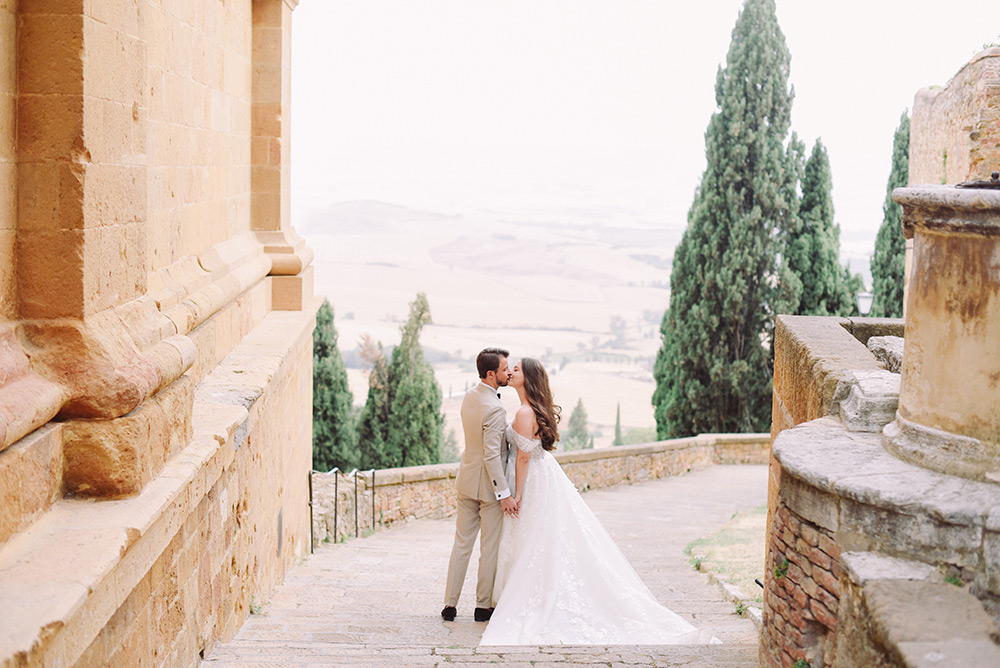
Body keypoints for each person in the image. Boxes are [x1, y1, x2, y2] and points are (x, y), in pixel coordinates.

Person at [480, 357, 718, 645]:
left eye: (516, 369)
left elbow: (523, 456)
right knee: (544, 539)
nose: (510, 372)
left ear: (527, 378)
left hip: (531, 480)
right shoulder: (531, 410)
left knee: (534, 538)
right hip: (546, 476)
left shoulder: (523, 413)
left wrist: (517, 494)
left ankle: (533, 598)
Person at [442, 347, 519, 623]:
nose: (508, 373)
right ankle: (482, 606)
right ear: (490, 374)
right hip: (488, 489)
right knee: (489, 548)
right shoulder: (495, 409)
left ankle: (449, 605)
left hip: (466, 480)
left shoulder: (469, 396)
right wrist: (503, 493)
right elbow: (491, 454)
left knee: (461, 544)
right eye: (504, 369)